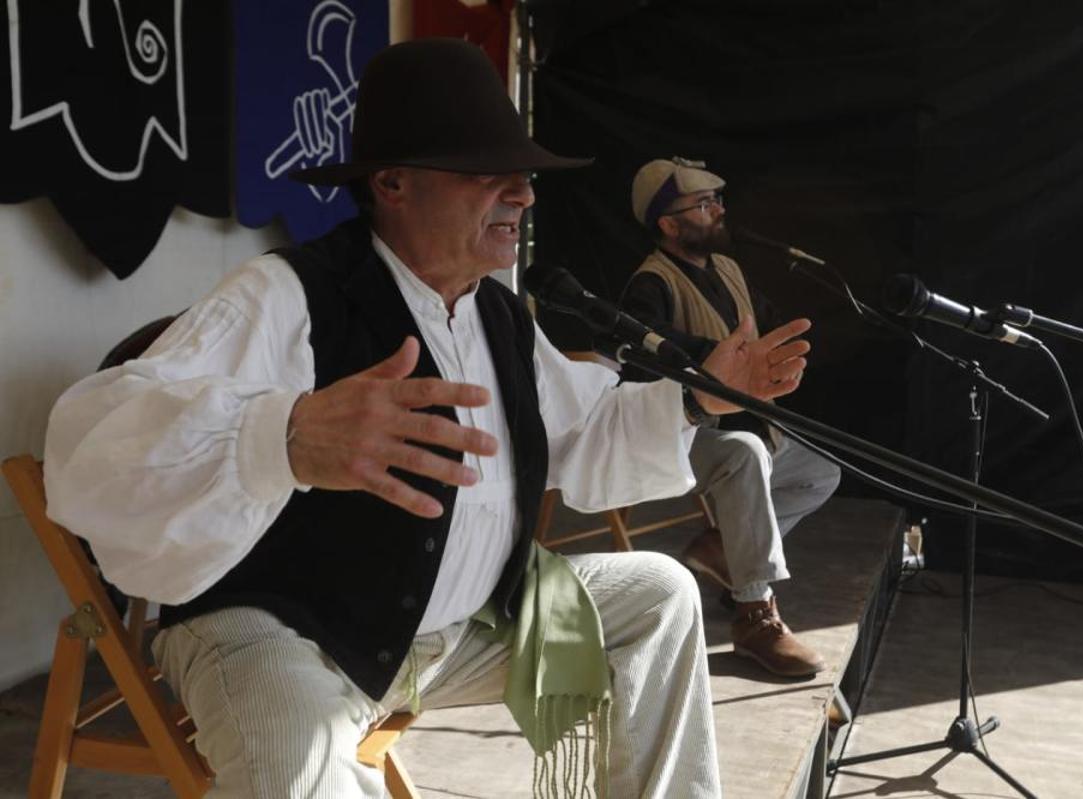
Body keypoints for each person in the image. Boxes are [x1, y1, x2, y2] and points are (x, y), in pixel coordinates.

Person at [42, 41, 814, 798]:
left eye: (524, 178)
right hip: (285, 634)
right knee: (296, 764)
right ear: (393, 183)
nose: (523, 195)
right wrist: (283, 435)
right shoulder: (284, 295)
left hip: (462, 632)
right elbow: (91, 445)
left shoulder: (500, 316)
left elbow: (582, 436)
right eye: (490, 174)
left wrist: (696, 398)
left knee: (660, 594)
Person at [621, 157, 842, 679]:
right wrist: (717, 356)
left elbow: (764, 333)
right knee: (745, 457)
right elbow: (637, 352)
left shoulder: (729, 270)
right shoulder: (650, 284)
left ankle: (723, 547)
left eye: (718, 199)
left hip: (748, 429)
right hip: (682, 436)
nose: (719, 210)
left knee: (820, 472)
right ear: (669, 225)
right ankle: (754, 615)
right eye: (703, 204)